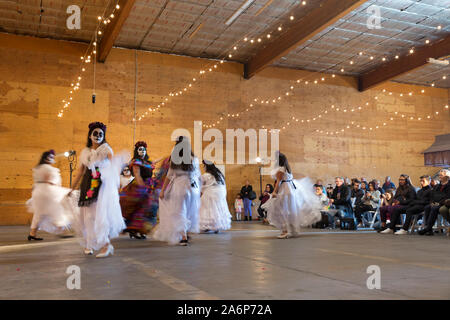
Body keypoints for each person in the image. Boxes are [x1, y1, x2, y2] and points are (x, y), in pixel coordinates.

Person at [70, 122, 126, 258]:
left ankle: (106, 245)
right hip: (87, 184)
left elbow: (114, 167)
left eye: (101, 134)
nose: (98, 136)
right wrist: (71, 188)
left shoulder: (107, 150)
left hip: (102, 186)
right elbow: (80, 171)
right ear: (90, 135)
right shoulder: (85, 152)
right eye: (95, 133)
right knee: (88, 217)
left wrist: (116, 183)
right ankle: (89, 244)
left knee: (99, 215)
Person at [152, 136, 201, 246]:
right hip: (193, 188)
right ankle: (186, 233)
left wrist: (163, 191)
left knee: (179, 212)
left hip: (180, 187)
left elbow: (169, 177)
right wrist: (200, 189)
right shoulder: (194, 159)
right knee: (190, 211)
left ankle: (183, 237)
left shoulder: (175, 159)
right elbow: (198, 176)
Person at [261, 152, 321, 238]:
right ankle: (292, 230)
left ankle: (285, 231)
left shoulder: (281, 169)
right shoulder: (287, 168)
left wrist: (274, 192)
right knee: (290, 210)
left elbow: (278, 182)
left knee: (282, 211)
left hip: (285, 190)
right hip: (291, 190)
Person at [26, 150, 74, 241]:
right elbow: (50, 181)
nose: (52, 159)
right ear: (46, 158)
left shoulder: (37, 168)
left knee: (39, 213)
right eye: (51, 157)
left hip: (37, 191)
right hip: (46, 191)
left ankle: (32, 233)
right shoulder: (49, 169)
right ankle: (62, 230)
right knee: (57, 209)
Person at [120, 141, 156, 240]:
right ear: (136, 151)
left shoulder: (148, 162)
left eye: (144, 149)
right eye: (140, 149)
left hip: (149, 185)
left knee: (147, 208)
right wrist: (142, 187)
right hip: (140, 185)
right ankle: (134, 229)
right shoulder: (136, 162)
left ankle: (141, 230)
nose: (142, 151)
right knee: (139, 207)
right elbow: (137, 174)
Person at [199, 160, 232, 233]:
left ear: (207, 167)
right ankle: (217, 226)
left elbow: (199, 185)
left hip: (211, 193)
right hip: (220, 193)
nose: (203, 167)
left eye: (204, 166)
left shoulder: (206, 175)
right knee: (218, 208)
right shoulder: (219, 175)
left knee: (207, 208)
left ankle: (207, 226)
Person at [418, 169, 450, 236]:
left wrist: (439, 203)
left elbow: (447, 197)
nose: (439, 176)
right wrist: (432, 202)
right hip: (435, 203)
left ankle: (428, 228)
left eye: (441, 175)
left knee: (434, 208)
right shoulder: (437, 186)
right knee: (427, 207)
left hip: (444, 204)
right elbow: (432, 196)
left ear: (447, 176)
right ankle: (429, 230)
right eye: (439, 175)